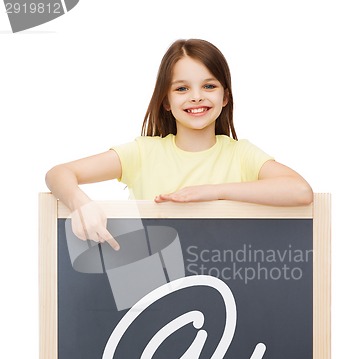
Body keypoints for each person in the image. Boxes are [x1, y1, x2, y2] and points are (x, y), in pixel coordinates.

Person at [45, 39, 313, 251]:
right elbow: (58, 173)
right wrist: (81, 203)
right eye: (182, 89)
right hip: (153, 288)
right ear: (166, 101)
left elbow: (300, 191)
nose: (196, 97)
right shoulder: (143, 153)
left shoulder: (240, 154)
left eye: (209, 86)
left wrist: (212, 192)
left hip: (230, 281)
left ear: (225, 97)